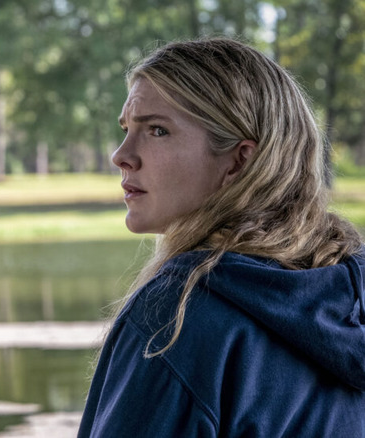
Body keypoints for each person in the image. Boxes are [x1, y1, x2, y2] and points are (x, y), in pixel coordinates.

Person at [77, 37, 365, 437]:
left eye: (157, 130)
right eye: (127, 129)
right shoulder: (351, 302)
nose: (121, 155)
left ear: (239, 160)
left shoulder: (175, 319)